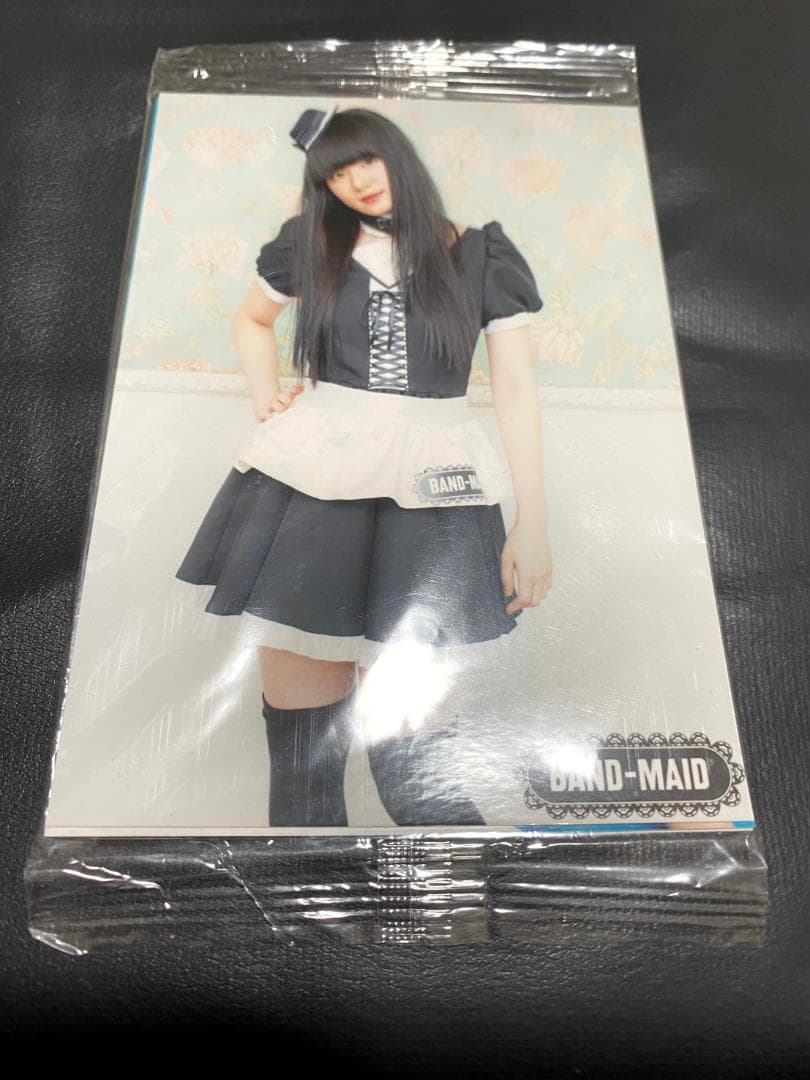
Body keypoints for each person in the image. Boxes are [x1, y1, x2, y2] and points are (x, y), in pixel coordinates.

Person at [175, 105, 553, 828]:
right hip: (315, 490)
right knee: (305, 773)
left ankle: (464, 897)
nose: (356, 181)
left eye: (366, 161)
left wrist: (532, 523)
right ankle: (309, 903)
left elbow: (514, 388)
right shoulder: (310, 243)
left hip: (435, 497)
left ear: (396, 155)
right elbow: (251, 320)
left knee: (417, 776)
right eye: (336, 173)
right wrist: (265, 395)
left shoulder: (484, 255)